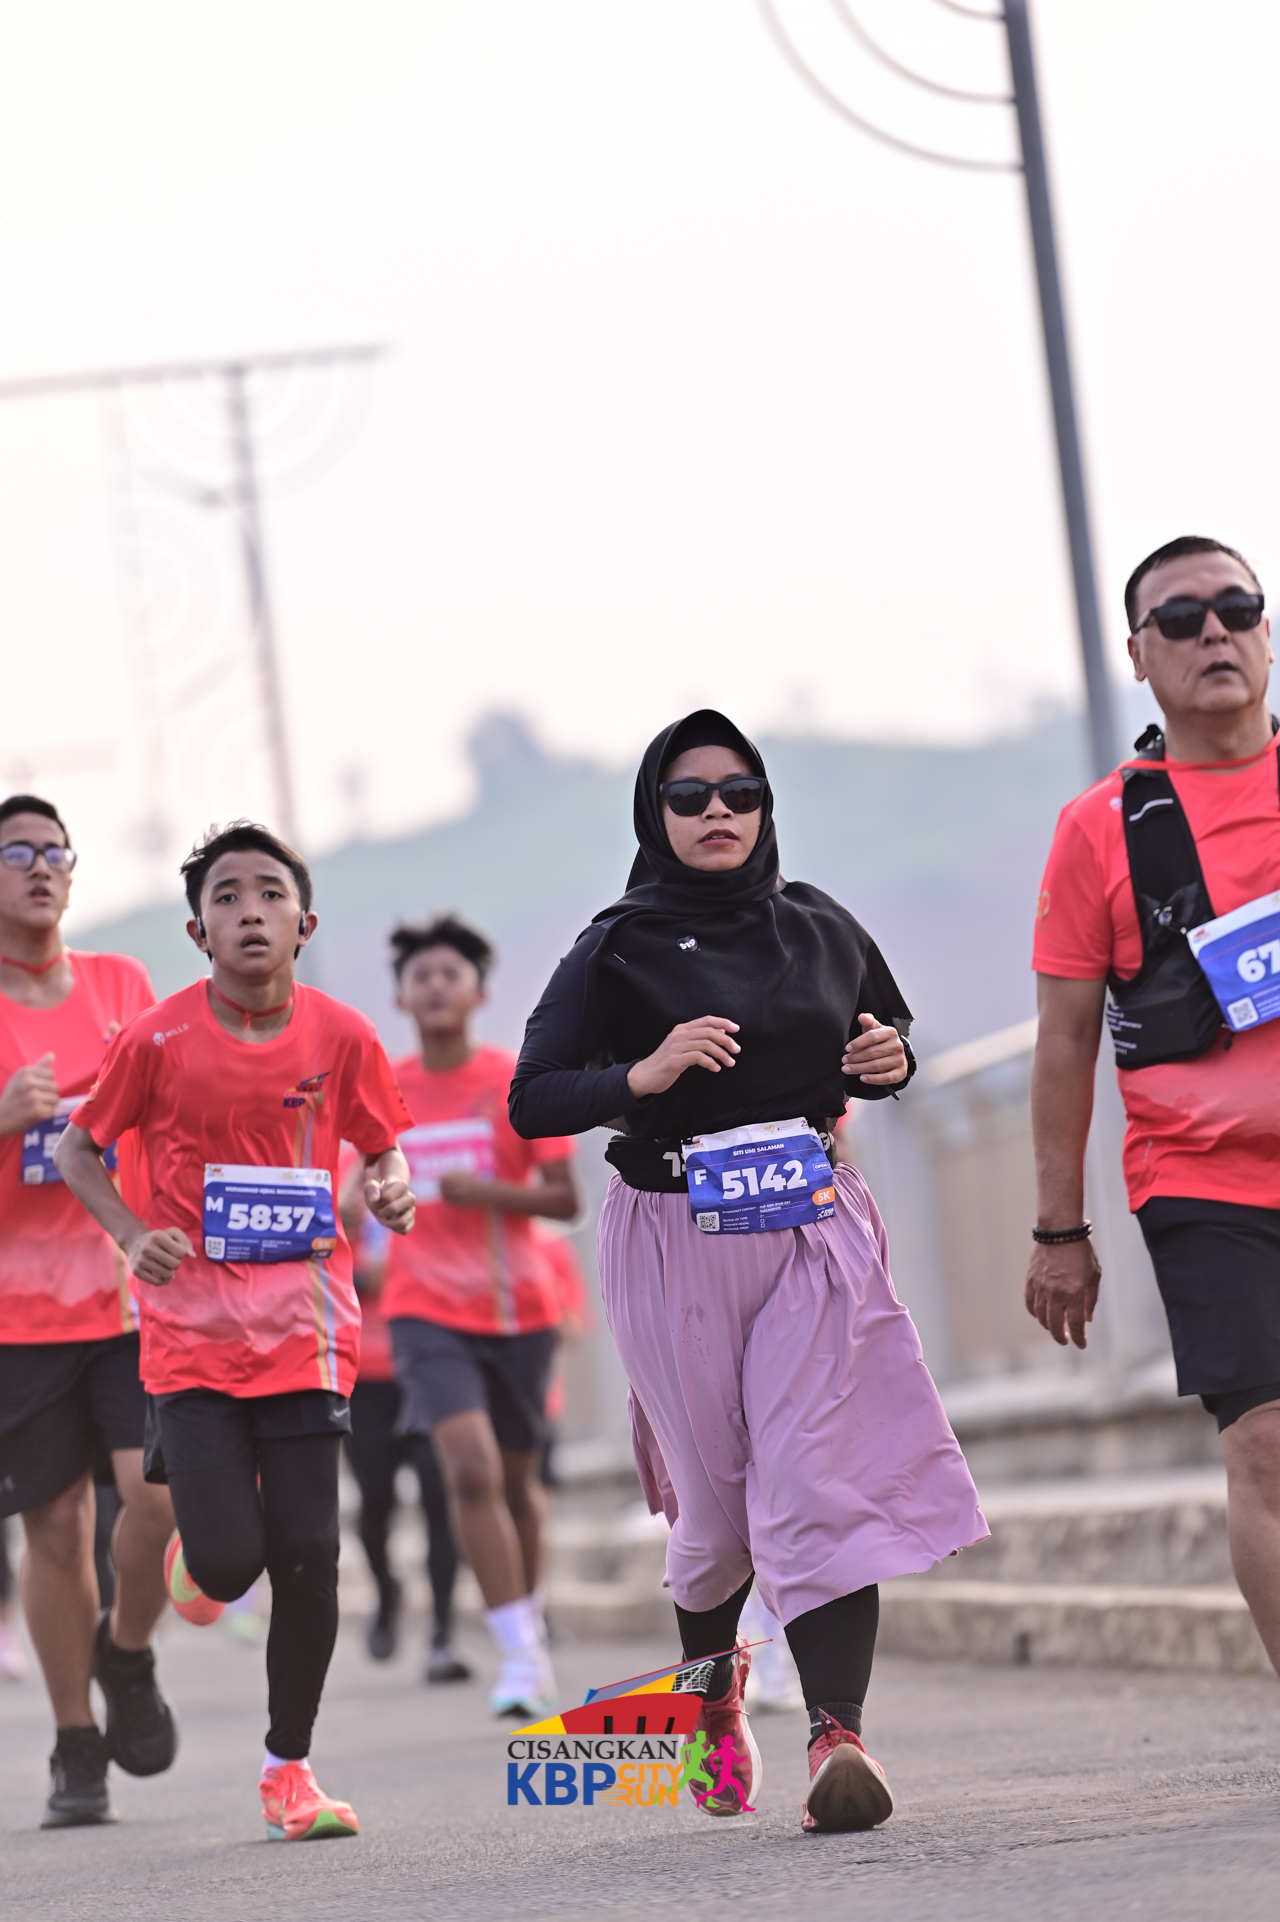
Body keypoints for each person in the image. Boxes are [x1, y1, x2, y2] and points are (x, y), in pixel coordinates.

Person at [509, 711, 985, 1833]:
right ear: (655, 814)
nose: (717, 811)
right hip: (671, 1234)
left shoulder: (818, 924)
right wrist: (643, 1073)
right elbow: (533, 1098)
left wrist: (887, 1060)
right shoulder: (615, 946)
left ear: (766, 806)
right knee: (717, 1516)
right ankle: (710, 1695)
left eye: (739, 792)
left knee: (821, 1475)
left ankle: (835, 1736)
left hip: (812, 1227)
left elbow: (886, 1040)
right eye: (689, 796)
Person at [56, 820, 416, 1843]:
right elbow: (80, 1149)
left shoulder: (342, 1035)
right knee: (224, 1563)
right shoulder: (157, 1038)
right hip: (191, 1339)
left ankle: (287, 1767)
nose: (249, 910)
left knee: (308, 1552)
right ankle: (193, 1565)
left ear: (305, 923)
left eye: (269, 893)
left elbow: (382, 1147)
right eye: (226, 896)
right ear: (197, 929)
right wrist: (134, 1236)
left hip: (307, 1330)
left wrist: (390, 1186)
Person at [1027, 534, 1280, 1678]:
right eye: (1179, 618)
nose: (1212, 631)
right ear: (1137, 653)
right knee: (1264, 1447)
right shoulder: (1100, 827)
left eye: (1235, 607)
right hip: (1204, 1179)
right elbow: (1064, 1038)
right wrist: (1057, 1227)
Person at [0, 793, 176, 1828]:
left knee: (155, 1497)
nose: (39, 866)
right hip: (18, 1318)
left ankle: (129, 1651)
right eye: (16, 852)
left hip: (125, 1292)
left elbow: (168, 1113)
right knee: (56, 1529)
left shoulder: (122, 986)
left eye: (55, 852)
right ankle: (75, 1743)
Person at [378, 916, 580, 1719]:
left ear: (479, 993)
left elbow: (565, 1199)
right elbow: (359, 1187)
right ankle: (518, 1655)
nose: (434, 987)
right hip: (423, 1310)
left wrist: (485, 1191)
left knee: (520, 1484)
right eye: (420, 976)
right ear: (401, 997)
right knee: (468, 1469)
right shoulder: (385, 1089)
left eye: (449, 974)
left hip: (518, 1310)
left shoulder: (513, 1081)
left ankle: (529, 1622)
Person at [336, 1153, 470, 1681]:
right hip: (363, 1371)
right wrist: (342, 1228)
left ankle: (441, 1633)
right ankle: (387, 1590)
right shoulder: (334, 1164)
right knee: (376, 1502)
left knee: (441, 1495)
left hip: (431, 1363)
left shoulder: (423, 1162)